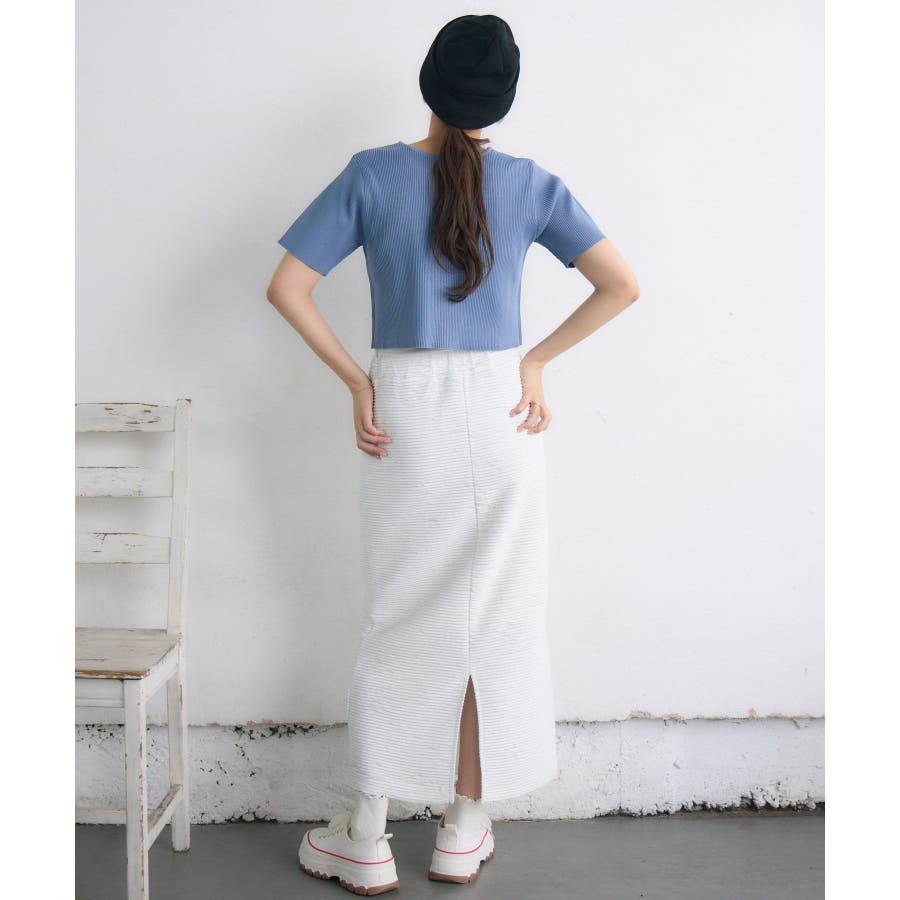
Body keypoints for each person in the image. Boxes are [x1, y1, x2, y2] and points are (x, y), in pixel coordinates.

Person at [266, 13, 639, 895]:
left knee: (399, 615)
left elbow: (287, 286)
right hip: (502, 412)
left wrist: (356, 382)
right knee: (495, 617)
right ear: (502, 100)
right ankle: (463, 829)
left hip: (405, 411)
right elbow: (621, 284)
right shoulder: (532, 184)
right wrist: (535, 363)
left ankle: (366, 833)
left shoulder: (371, 174)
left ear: (428, 83)